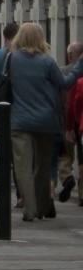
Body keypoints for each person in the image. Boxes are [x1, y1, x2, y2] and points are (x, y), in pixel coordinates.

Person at [9, 23, 83, 222]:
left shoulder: (11, 59)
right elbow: (65, 83)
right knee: (42, 166)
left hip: (20, 120)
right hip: (46, 120)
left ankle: (29, 208)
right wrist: (79, 67)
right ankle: (41, 207)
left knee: (22, 166)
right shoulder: (47, 62)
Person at [57, 42, 83, 204]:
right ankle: (81, 192)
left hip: (69, 116)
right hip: (79, 119)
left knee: (65, 154)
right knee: (81, 158)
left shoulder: (64, 72)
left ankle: (66, 177)